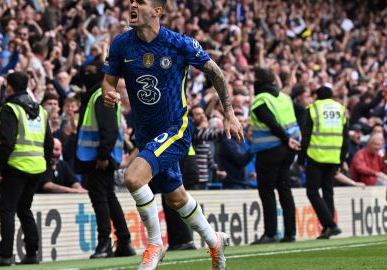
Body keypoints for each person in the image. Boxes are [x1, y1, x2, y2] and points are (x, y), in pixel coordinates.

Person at [102, 1, 243, 269]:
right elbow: (108, 81)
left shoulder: (179, 43)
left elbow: (216, 71)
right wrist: (107, 93)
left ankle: (155, 244)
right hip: (145, 134)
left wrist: (229, 113)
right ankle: (214, 240)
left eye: (140, 2)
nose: (132, 5)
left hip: (174, 129)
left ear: (157, 11)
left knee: (133, 177)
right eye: (131, 1)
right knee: (176, 197)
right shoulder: (121, 44)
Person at [0, 72, 54, 266]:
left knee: (7, 209)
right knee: (24, 209)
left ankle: (4, 255)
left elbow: (7, 142)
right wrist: (43, 166)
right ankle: (31, 253)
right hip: (37, 168)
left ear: (9, 88)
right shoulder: (41, 111)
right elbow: (49, 144)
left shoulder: (10, 109)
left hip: (16, 167)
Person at [75, 59, 135, 259]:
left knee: (101, 199)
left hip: (99, 158)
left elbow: (108, 128)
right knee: (109, 197)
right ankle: (124, 242)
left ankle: (104, 244)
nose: (86, 75)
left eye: (91, 71)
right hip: (101, 156)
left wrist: (102, 155)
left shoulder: (100, 94)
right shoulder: (99, 94)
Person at [249, 68, 301, 244]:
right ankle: (290, 233)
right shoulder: (285, 98)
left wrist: (286, 139)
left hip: (270, 151)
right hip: (289, 151)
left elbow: (271, 123)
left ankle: (270, 233)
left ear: (258, 81)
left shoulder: (260, 100)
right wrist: (291, 141)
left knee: (267, 192)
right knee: (285, 190)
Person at [298, 86, 349, 239]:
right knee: (328, 192)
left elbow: (306, 136)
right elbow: (345, 137)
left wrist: (301, 159)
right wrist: (341, 159)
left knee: (312, 192)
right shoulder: (340, 109)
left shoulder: (313, 108)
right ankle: (328, 227)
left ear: (317, 96)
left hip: (316, 155)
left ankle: (331, 225)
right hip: (333, 156)